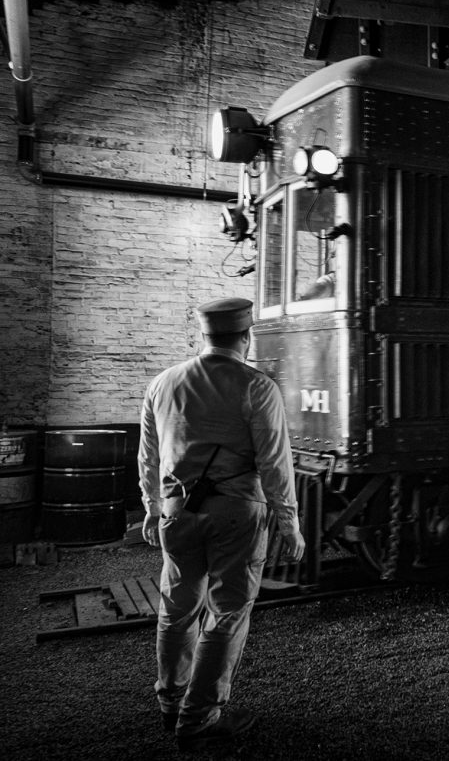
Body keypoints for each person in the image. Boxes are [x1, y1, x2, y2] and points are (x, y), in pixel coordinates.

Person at [138, 297, 305, 751]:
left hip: (177, 512)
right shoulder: (256, 386)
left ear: (205, 335)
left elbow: (149, 456)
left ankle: (170, 703)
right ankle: (200, 718)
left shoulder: (163, 382)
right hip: (235, 513)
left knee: (176, 609)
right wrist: (288, 522)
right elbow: (274, 462)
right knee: (228, 611)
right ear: (245, 336)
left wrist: (151, 508)